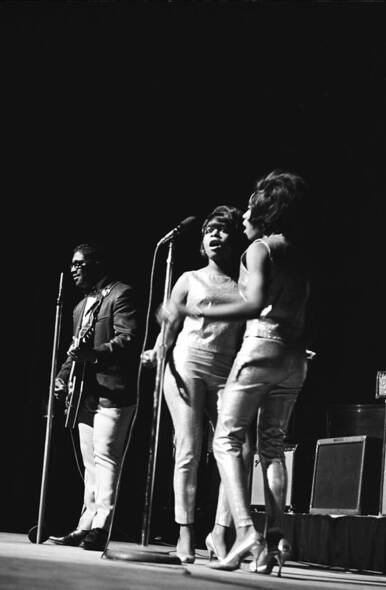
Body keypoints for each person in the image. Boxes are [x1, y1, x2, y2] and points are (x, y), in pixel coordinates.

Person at [167, 171, 310, 575]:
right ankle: (276, 539)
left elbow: (254, 303)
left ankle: (245, 529)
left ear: (265, 210)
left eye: (250, 206)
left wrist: (198, 309)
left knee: (225, 440)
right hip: (296, 359)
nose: (244, 214)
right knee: (272, 447)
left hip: (262, 349)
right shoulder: (298, 251)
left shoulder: (260, 249)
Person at [143, 206, 246, 563]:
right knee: (188, 448)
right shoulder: (189, 277)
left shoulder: (243, 285)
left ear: (235, 238)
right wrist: (157, 350)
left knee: (237, 449)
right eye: (210, 231)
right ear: (203, 241)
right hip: (187, 361)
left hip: (226, 368)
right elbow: (169, 322)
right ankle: (184, 533)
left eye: (222, 230)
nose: (215, 236)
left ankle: (218, 532)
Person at [48, 243, 138, 552]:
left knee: (106, 458)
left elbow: (127, 340)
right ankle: (84, 525)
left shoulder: (120, 294)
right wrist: (61, 378)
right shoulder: (79, 307)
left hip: (112, 391)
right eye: (71, 264)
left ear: (97, 264)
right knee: (90, 464)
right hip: (84, 395)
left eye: (80, 264)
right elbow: (75, 350)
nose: (73, 269)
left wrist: (93, 355)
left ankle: (101, 526)